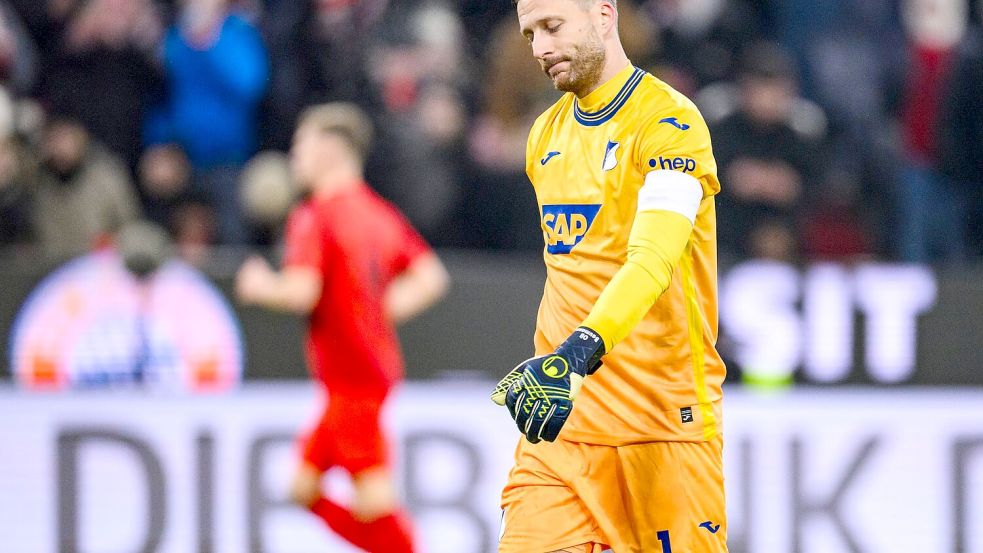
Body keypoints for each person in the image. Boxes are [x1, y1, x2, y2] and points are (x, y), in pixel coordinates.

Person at [490, 1, 727, 552]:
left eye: (552, 27)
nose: (539, 48)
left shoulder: (671, 123)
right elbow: (573, 270)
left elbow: (652, 260)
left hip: (661, 427)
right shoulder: (544, 135)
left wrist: (578, 351)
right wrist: (559, 361)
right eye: (529, 34)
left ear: (603, 15)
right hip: (562, 430)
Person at [235, 102, 449, 553]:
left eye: (301, 145)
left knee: (373, 501)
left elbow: (301, 292)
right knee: (302, 489)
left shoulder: (315, 215)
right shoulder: (379, 213)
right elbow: (432, 278)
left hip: (351, 378)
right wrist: (376, 310)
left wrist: (259, 284)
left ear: (329, 149)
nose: (294, 158)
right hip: (368, 372)